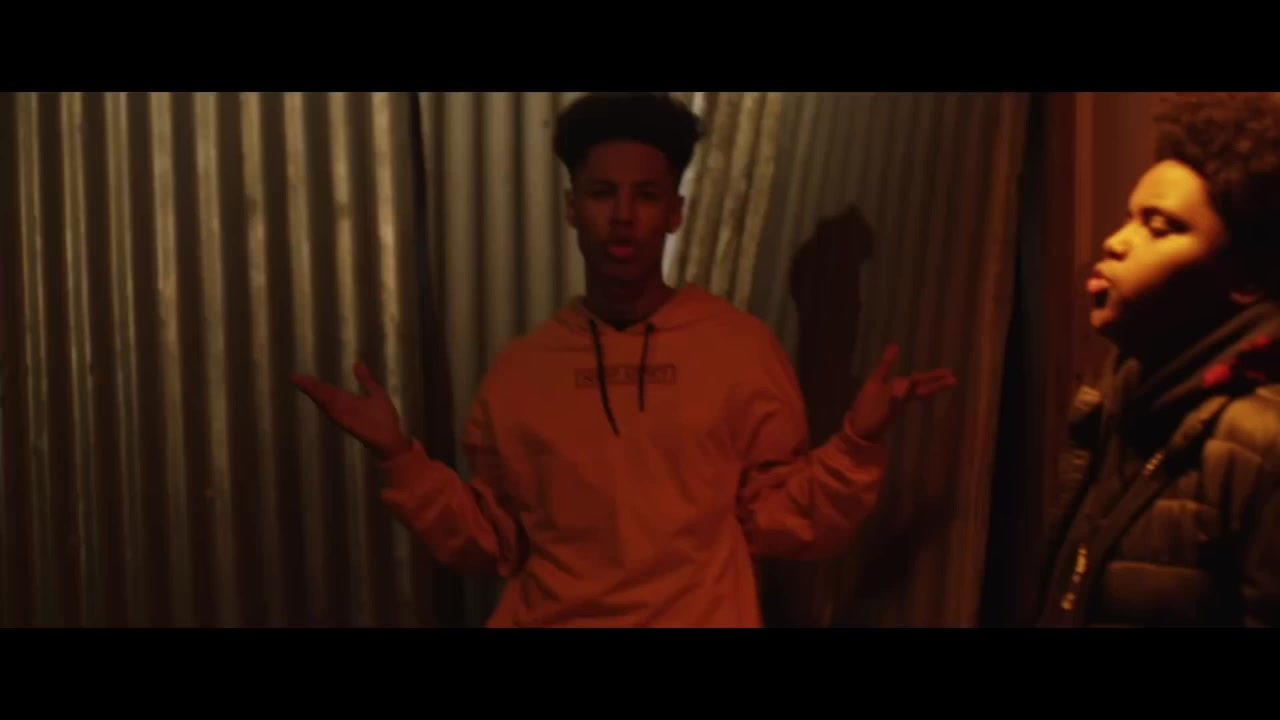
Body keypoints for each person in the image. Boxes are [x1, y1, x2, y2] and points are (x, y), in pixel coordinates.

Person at [292, 92, 956, 627]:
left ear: (675, 213)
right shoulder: (522, 371)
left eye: (645, 195)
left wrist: (857, 443)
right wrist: (399, 456)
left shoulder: (739, 350)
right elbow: (493, 539)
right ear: (571, 208)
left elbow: (782, 520)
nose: (623, 216)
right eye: (602, 193)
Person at [1037, 92, 1280, 628]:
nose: (1115, 242)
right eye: (1128, 218)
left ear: (1245, 276)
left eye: (1160, 227)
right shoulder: (1117, 403)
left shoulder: (1262, 444)